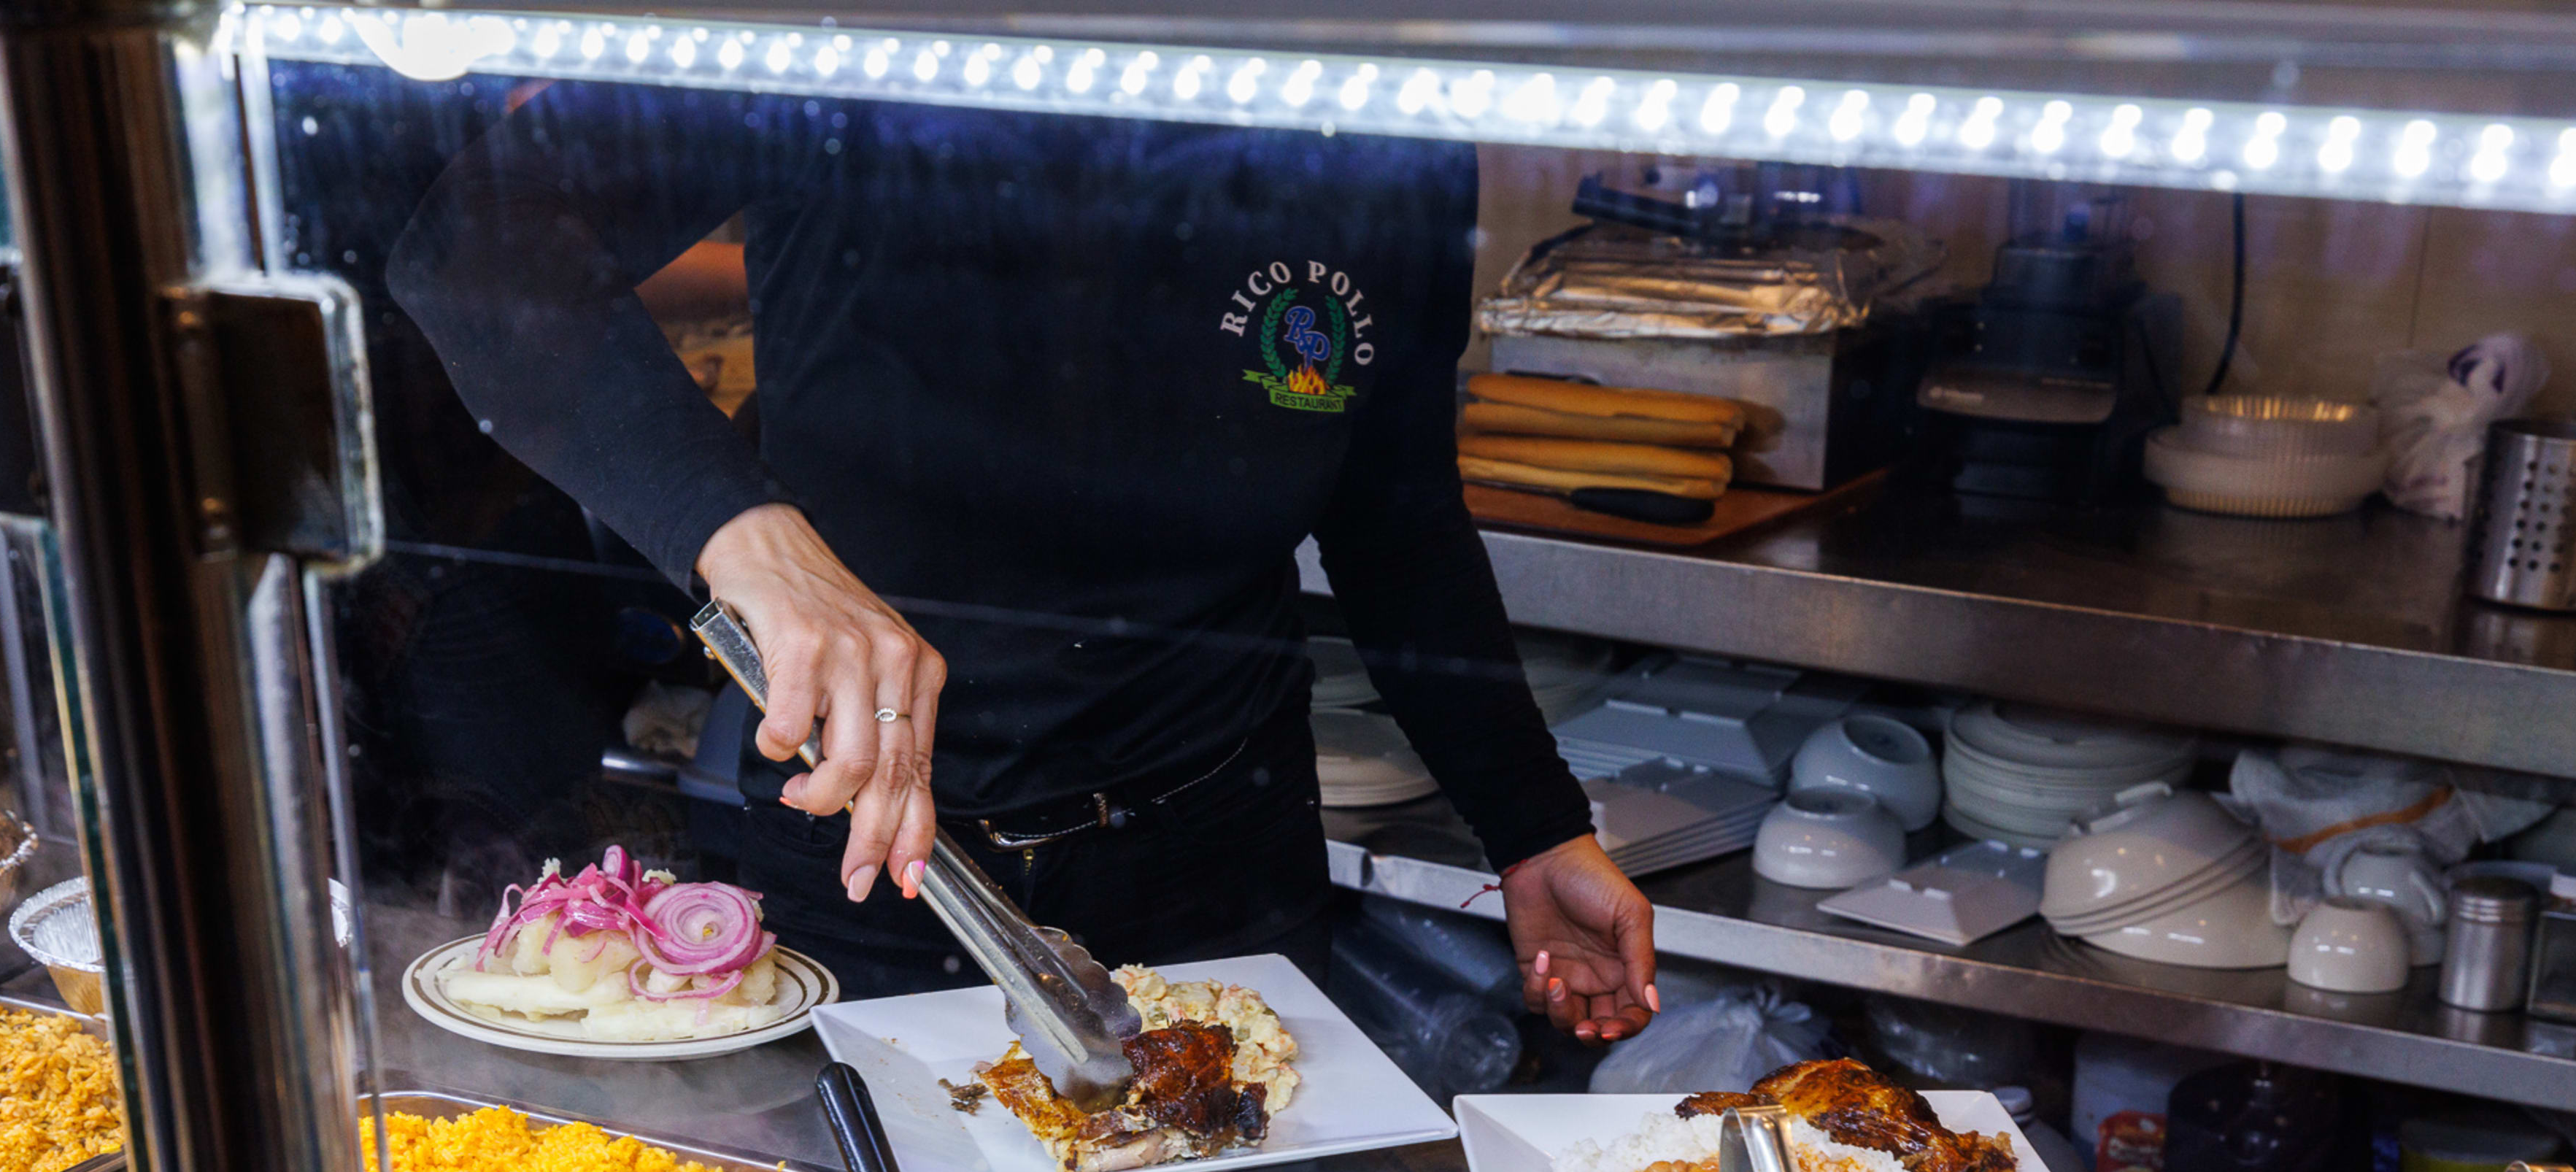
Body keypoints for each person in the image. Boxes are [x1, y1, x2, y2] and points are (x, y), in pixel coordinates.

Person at [390, 86, 1657, 1037]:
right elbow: (481, 251)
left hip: (1219, 859)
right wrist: (746, 535)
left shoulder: (1376, 101)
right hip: (875, 855)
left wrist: (1533, 823)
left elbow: (1396, 508)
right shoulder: (862, 47)